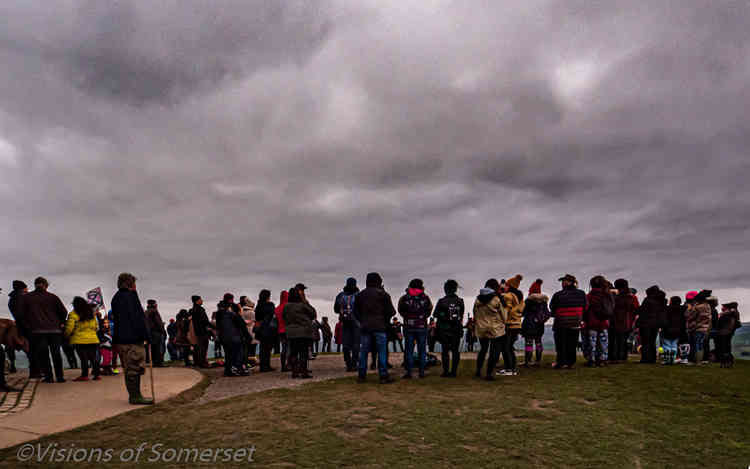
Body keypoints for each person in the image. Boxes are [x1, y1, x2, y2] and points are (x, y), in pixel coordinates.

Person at [111, 273, 153, 405]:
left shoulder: (116, 298)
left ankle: (134, 395)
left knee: (129, 367)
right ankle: (135, 396)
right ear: (130, 284)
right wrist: (146, 336)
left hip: (121, 338)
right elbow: (138, 318)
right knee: (134, 366)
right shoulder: (131, 296)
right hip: (132, 338)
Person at [17, 277, 68, 383]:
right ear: (46, 285)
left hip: (37, 331)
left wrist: (28, 326)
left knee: (43, 354)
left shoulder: (27, 298)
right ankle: (60, 377)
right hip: (54, 330)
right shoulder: (53, 297)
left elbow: (21, 315)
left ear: (35, 284)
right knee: (56, 353)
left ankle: (49, 377)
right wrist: (60, 323)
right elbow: (64, 312)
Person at [354, 272, 396, 384]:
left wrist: (362, 320)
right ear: (379, 281)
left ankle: (361, 376)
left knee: (364, 352)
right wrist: (384, 319)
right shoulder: (383, 294)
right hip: (380, 326)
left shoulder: (360, 295)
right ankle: (383, 376)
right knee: (382, 351)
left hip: (365, 326)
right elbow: (392, 312)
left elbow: (355, 312)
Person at [550, 274, 587, 369]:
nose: (562, 283)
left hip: (561, 322)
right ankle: (570, 362)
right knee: (572, 343)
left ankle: (561, 362)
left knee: (560, 343)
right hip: (576, 322)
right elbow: (585, 307)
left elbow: (552, 307)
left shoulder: (558, 294)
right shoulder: (581, 293)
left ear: (570, 282)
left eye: (564, 281)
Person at [398, 279, 433, 379]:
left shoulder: (404, 298)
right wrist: (423, 317)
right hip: (422, 326)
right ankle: (421, 372)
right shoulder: (425, 297)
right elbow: (429, 309)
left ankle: (409, 372)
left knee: (408, 350)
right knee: (422, 350)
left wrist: (407, 317)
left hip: (408, 326)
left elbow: (400, 310)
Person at [473, 281, 506, 381]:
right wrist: (502, 323)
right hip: (494, 328)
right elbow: (503, 316)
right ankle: (489, 373)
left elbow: (475, 313)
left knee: (483, 349)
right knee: (494, 351)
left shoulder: (478, 299)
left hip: (481, 328)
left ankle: (478, 370)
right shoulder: (496, 299)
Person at [64, 297, 101, 381]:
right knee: (92, 357)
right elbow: (96, 326)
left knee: (83, 358)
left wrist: (66, 335)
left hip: (79, 340)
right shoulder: (91, 313)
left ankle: (84, 375)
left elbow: (69, 328)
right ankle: (97, 375)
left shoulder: (73, 314)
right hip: (93, 339)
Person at [283, 287, 317, 379]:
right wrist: (305, 301)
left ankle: (294, 372)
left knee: (293, 353)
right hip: (303, 332)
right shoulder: (302, 305)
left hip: (291, 332)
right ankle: (304, 372)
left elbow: (284, 318)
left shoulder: (286, 306)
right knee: (303, 353)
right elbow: (313, 313)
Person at [433, 279, 464, 377]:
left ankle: (446, 371)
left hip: (444, 329)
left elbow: (435, 314)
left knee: (445, 351)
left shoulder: (442, 301)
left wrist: (443, 315)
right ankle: (454, 372)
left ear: (446, 289)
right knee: (455, 350)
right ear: (455, 289)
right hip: (456, 328)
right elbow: (461, 315)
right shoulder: (460, 301)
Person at [583, 276, 613, 367]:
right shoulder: (608, 295)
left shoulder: (589, 296)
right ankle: (602, 359)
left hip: (592, 322)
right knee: (603, 343)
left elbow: (585, 309)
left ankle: (591, 360)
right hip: (604, 322)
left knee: (592, 343)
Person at [217, 300, 251, 376]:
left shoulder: (220, 315)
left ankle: (228, 370)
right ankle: (239, 369)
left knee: (228, 355)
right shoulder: (232, 315)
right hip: (234, 337)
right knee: (239, 353)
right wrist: (248, 337)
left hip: (224, 338)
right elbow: (242, 326)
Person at [8, 280, 35, 376]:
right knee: (31, 349)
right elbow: (22, 313)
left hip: (21, 325)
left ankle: (34, 370)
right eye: (26, 288)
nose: (27, 289)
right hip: (26, 326)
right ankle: (35, 371)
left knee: (29, 349)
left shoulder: (12, 299)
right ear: (22, 288)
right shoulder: (21, 298)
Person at [521, 279, 550, 367]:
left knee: (529, 343)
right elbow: (547, 313)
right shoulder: (544, 302)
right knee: (538, 342)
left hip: (529, 324)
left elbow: (523, 312)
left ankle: (528, 361)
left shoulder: (528, 301)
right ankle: (538, 361)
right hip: (539, 325)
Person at [635, 285, 667, 364]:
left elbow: (642, 311)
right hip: (656, 324)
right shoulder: (662, 301)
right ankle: (652, 358)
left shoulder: (648, 300)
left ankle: (645, 358)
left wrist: (638, 322)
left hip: (646, 323)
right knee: (652, 342)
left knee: (646, 342)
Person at [334, 278, 360, 372]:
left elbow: (336, 309)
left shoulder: (341, 295)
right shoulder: (358, 295)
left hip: (344, 321)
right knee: (356, 344)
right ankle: (354, 364)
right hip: (356, 322)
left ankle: (348, 364)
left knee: (345, 344)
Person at [609, 279, 638, 364]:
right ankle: (622, 357)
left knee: (615, 340)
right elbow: (634, 309)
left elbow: (613, 306)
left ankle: (614, 357)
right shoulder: (630, 297)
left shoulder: (617, 297)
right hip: (626, 320)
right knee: (623, 340)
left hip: (616, 320)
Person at [501, 274, 524, 375]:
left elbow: (506, 311)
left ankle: (509, 369)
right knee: (510, 347)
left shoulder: (508, 296)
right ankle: (512, 368)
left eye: (506, 285)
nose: (504, 287)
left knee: (506, 347)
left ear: (510, 286)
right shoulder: (520, 298)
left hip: (509, 324)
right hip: (517, 324)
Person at [0, 319, 28, 391]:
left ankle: (1, 384)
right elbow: (10, 341)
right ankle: (1, 384)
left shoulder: (10, 325)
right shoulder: (11, 326)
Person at [254, 290, 277, 372]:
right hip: (268, 329)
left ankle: (263, 366)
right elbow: (273, 314)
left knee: (262, 348)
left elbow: (257, 317)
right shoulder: (270, 305)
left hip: (260, 329)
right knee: (268, 348)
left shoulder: (258, 305)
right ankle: (266, 365)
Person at [716, 302, 741, 367]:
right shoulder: (732, 314)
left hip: (724, 332)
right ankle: (727, 361)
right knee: (726, 347)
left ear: (726, 308)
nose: (721, 308)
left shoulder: (727, 314)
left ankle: (726, 361)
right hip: (728, 332)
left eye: (723, 306)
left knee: (724, 347)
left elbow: (720, 324)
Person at [662, 296, 686, 365]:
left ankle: (667, 360)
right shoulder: (682, 309)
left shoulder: (667, 309)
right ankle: (673, 359)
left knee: (666, 345)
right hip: (678, 330)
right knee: (674, 345)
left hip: (667, 329)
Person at [190, 295, 212, 368]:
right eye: (200, 299)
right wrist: (212, 327)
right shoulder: (200, 309)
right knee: (203, 347)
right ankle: (203, 363)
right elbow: (205, 320)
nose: (202, 301)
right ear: (197, 301)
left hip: (198, 331)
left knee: (200, 347)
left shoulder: (193, 309)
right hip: (202, 331)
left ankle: (201, 362)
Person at [145, 300, 166, 367]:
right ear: (154, 304)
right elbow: (158, 323)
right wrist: (163, 330)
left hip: (149, 333)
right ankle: (158, 363)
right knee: (158, 348)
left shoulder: (146, 311)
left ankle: (154, 362)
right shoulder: (154, 311)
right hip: (156, 332)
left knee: (153, 348)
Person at [275, 290, 290, 371]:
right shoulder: (288, 306)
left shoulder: (277, 308)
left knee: (284, 348)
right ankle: (289, 365)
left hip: (280, 330)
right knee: (290, 348)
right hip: (288, 329)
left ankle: (283, 366)